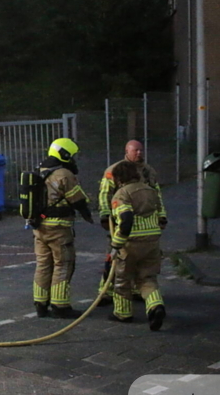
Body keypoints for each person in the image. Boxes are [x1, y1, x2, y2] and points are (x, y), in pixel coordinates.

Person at [97, 140, 166, 304]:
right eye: (135, 150)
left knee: (139, 260)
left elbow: (157, 195)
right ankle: (106, 291)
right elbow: (105, 194)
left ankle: (136, 290)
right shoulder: (115, 170)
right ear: (127, 151)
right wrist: (105, 215)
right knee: (115, 258)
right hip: (121, 221)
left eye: (141, 150)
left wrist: (162, 216)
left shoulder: (148, 171)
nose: (139, 153)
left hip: (144, 224)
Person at [33, 138, 93, 318]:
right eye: (72, 156)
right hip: (58, 228)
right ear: (64, 155)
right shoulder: (64, 174)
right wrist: (88, 214)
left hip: (39, 227)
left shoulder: (39, 170)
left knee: (43, 264)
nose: (73, 159)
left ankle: (40, 303)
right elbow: (78, 200)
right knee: (64, 263)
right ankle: (60, 306)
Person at [107, 160, 166, 330]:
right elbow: (161, 214)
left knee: (123, 279)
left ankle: (122, 313)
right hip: (152, 241)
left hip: (131, 243)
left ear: (119, 178)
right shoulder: (150, 190)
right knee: (147, 278)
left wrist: (116, 245)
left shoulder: (122, 194)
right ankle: (155, 306)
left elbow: (126, 220)